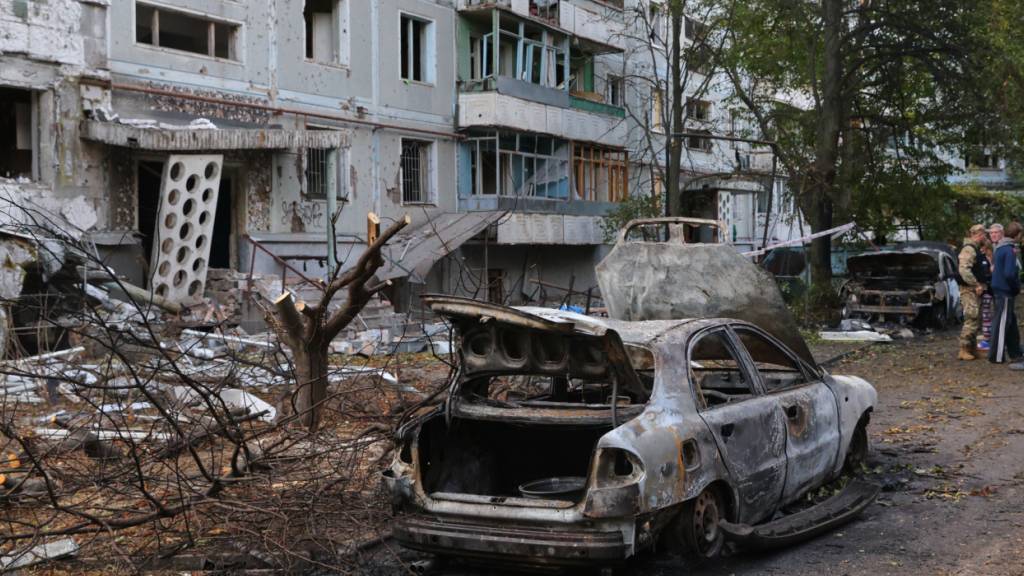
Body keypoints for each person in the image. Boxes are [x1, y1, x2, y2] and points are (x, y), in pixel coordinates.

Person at [988, 222, 1023, 364]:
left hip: (999, 289)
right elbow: (1009, 273)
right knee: (1001, 324)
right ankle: (996, 356)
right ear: (1017, 234)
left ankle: (1015, 352)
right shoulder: (1009, 250)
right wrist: (1016, 287)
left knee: (1011, 323)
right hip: (1005, 291)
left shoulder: (1000, 247)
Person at [957, 224, 990, 360]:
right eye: (984, 235)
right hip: (969, 290)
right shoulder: (969, 249)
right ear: (979, 234)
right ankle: (964, 349)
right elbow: (964, 270)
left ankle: (972, 348)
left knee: (976, 319)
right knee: (971, 317)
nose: (985, 237)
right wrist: (975, 284)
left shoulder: (976, 249)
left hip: (976, 290)